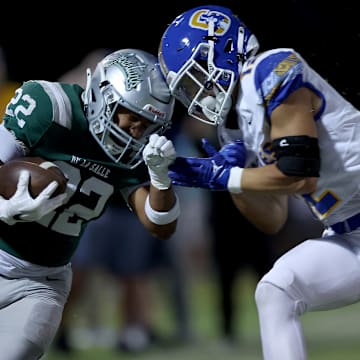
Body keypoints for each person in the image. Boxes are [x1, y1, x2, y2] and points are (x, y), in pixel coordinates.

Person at [156, 4, 360, 360]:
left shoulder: (271, 68)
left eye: (195, 77)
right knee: (277, 288)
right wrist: (232, 183)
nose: (196, 94)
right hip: (347, 232)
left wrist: (225, 174)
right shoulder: (233, 126)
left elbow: (300, 175)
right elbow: (273, 219)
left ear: (221, 52)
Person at [0, 48, 180, 359]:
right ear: (104, 97)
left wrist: (160, 178)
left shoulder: (136, 152)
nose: (137, 133)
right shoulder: (49, 107)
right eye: (133, 118)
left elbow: (160, 224)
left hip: (40, 280)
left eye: (148, 125)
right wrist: (3, 209)